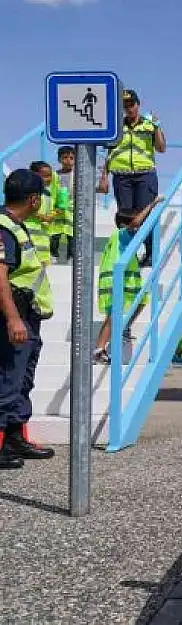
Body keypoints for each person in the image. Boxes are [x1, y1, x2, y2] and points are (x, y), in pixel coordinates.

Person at [0, 169, 56, 469]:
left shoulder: (17, 226)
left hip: (27, 315)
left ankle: (13, 439)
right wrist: (13, 320)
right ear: (33, 199)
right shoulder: (4, 228)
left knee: (21, 380)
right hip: (15, 316)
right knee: (8, 380)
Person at [98, 89, 165, 268]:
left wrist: (157, 126)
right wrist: (103, 176)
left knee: (146, 215)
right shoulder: (117, 128)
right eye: (125, 105)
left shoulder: (149, 125)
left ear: (138, 104)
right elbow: (109, 153)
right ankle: (127, 252)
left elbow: (161, 148)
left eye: (131, 104)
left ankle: (150, 253)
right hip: (122, 176)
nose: (129, 108)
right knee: (124, 217)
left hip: (145, 174)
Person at [92, 196, 161, 364]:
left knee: (141, 301)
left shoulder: (120, 239)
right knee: (113, 316)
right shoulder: (122, 234)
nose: (138, 229)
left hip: (124, 281)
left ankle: (120, 330)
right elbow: (136, 224)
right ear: (124, 224)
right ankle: (99, 349)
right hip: (118, 281)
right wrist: (152, 204)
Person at [50, 147, 75, 261]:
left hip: (71, 209)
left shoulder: (77, 175)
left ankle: (71, 256)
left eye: (71, 158)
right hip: (57, 208)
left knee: (72, 234)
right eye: (65, 158)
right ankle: (53, 254)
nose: (68, 160)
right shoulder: (55, 175)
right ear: (59, 159)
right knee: (55, 233)